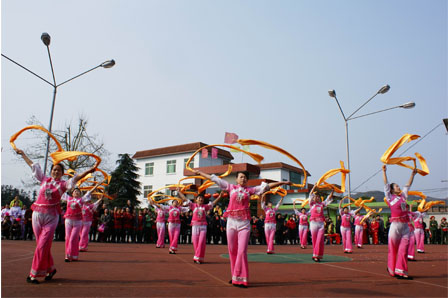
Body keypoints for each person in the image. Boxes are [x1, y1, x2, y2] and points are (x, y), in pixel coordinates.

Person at [194, 169, 290, 288]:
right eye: (241, 177)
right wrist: (200, 173)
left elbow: (266, 187)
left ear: (247, 180)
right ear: (236, 179)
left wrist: (281, 183)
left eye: (245, 177)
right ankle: (235, 275)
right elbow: (214, 179)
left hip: (244, 224)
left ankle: (242, 278)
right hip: (231, 223)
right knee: (232, 250)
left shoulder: (250, 190)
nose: (243, 179)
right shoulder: (230, 187)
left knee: (242, 251)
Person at [15, 148, 94, 284]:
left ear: (62, 173)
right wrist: (23, 155)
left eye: (59, 170)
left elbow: (76, 178)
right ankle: (50, 269)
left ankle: (33, 274)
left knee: (42, 245)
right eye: (54, 169)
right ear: (51, 171)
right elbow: (33, 166)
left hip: (51, 218)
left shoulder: (64, 185)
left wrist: (89, 171)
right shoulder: (43, 179)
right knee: (41, 245)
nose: (56, 172)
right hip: (37, 215)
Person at [382, 165, 417, 279]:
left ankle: (400, 271)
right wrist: (384, 171)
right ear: (392, 189)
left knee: (404, 249)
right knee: (393, 249)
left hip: (405, 226)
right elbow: (386, 184)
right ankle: (391, 268)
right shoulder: (389, 197)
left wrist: (412, 174)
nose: (399, 187)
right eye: (396, 186)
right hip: (395, 226)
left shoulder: (403, 196)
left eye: (398, 186)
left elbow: (408, 185)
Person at [178, 190, 223, 263]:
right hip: (195, 226)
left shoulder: (205, 207)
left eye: (202, 199)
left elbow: (213, 203)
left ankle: (197, 257)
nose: (201, 200)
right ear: (196, 200)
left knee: (201, 242)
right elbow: (185, 199)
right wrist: (179, 192)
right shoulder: (193, 205)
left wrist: (220, 197)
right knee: (195, 243)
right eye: (199, 198)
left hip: (203, 226)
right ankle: (199, 257)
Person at [309, 184, 334, 262]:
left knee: (320, 240)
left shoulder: (322, 204)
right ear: (313, 198)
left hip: (321, 224)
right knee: (314, 239)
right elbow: (310, 194)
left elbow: (328, 198)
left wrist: (332, 191)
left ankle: (318, 255)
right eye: (315, 197)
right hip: (313, 223)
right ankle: (315, 255)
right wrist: (314, 187)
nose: (317, 198)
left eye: (318, 197)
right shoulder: (311, 204)